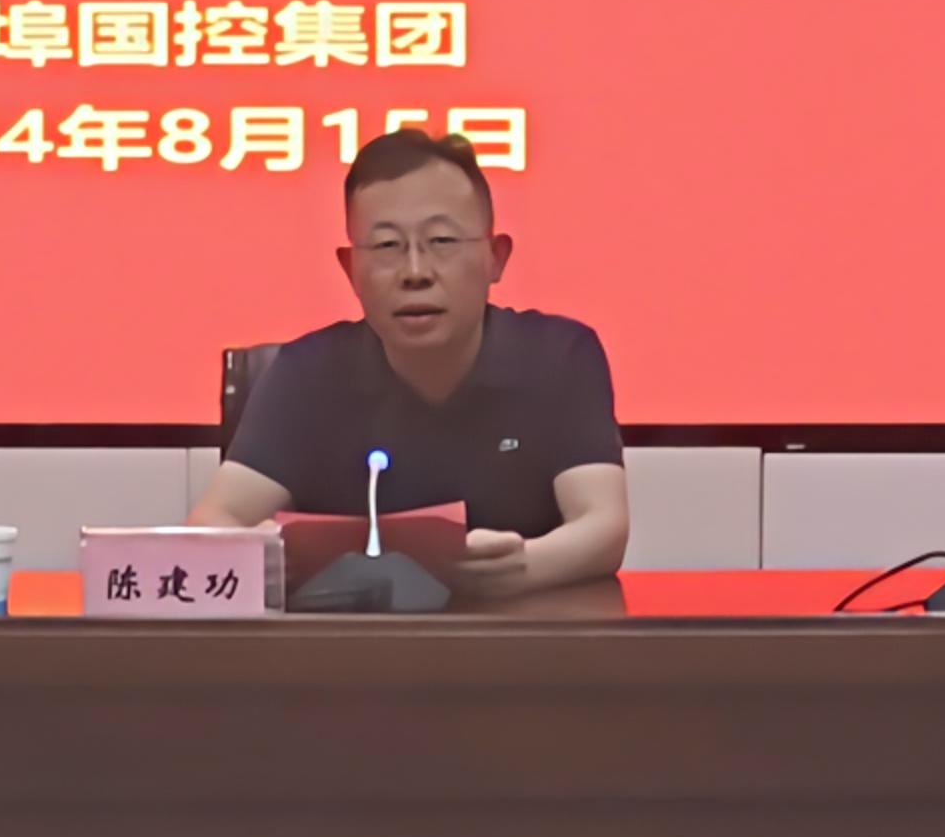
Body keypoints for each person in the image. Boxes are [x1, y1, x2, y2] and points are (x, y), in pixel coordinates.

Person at [189, 127, 630, 599]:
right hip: (342, 641)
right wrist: (257, 555)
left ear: (495, 258)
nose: (415, 273)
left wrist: (520, 567)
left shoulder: (558, 358)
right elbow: (213, 521)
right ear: (350, 269)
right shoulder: (306, 374)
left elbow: (604, 525)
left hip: (521, 637)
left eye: (441, 240)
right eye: (386, 246)